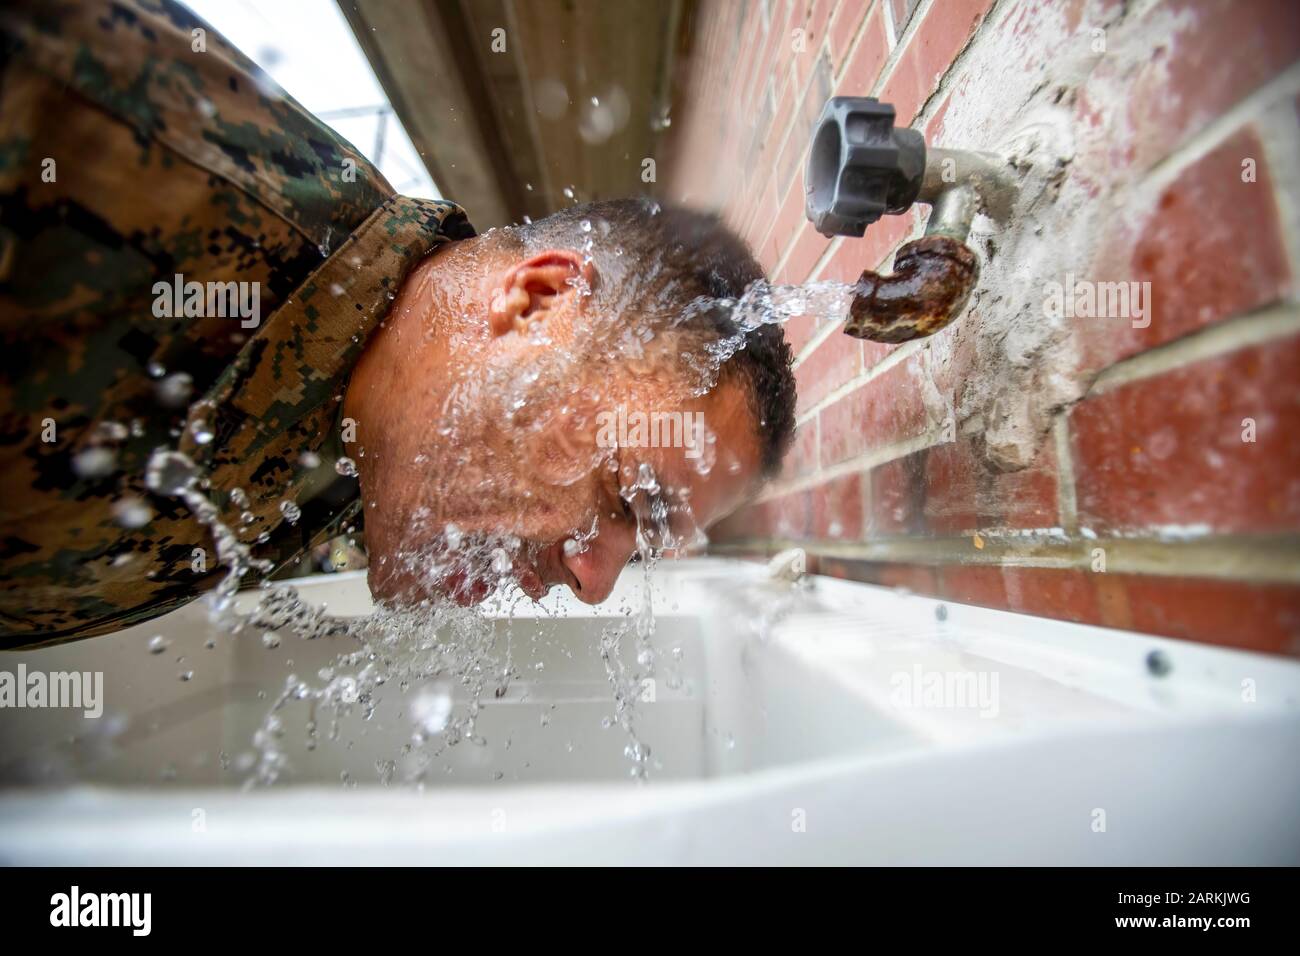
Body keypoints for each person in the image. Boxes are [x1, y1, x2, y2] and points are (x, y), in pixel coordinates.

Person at [0, 0, 796, 649]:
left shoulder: (374, 456)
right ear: (538, 303)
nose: (594, 585)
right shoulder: (99, 136)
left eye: (639, 547)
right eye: (626, 496)